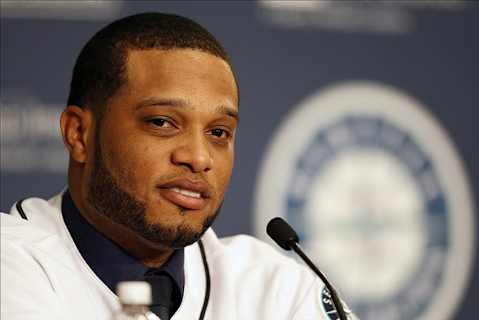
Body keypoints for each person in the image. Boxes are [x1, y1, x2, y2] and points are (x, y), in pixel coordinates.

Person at [1, 12, 357, 320]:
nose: (199, 158)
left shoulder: (276, 286)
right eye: (161, 123)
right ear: (79, 134)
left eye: (219, 132)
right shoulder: (12, 261)